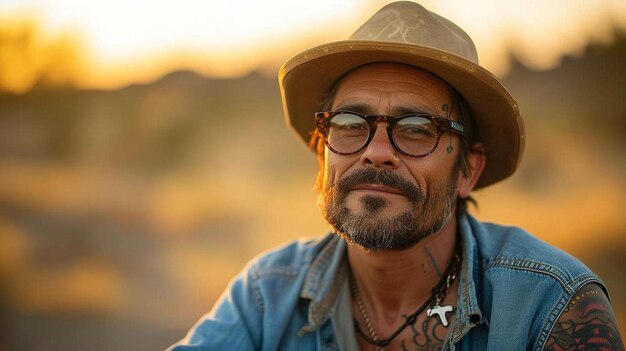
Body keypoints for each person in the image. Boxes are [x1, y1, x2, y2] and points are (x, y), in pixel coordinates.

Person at [168, 2, 623, 350]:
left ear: (468, 169)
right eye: (349, 124)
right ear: (321, 151)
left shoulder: (548, 306)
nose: (377, 153)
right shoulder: (266, 295)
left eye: (418, 129)